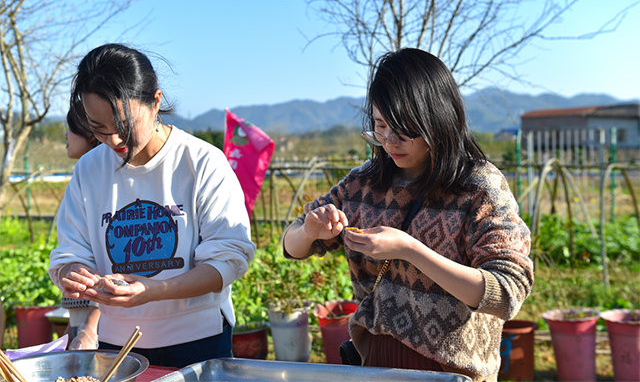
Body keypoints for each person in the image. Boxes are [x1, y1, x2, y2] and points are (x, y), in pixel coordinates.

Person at [282, 48, 533, 382]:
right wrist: (310, 231)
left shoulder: (479, 188)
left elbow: (506, 293)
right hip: (376, 366)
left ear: (438, 119)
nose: (389, 143)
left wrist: (409, 249)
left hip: (452, 373)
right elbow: (292, 245)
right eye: (380, 126)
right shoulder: (365, 182)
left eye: (403, 130)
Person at [49, 43, 256, 368]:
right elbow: (70, 252)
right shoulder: (89, 170)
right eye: (99, 129)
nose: (115, 140)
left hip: (197, 342)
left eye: (124, 126)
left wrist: (157, 289)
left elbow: (228, 258)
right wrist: (73, 273)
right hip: (116, 344)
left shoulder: (201, 162)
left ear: (156, 101)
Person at [61, 107, 101, 350]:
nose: (66, 135)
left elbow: (112, 265)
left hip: (101, 329)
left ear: (92, 134)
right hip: (82, 326)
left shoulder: (103, 185)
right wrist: (72, 327)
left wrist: (89, 327)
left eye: (72, 129)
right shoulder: (80, 181)